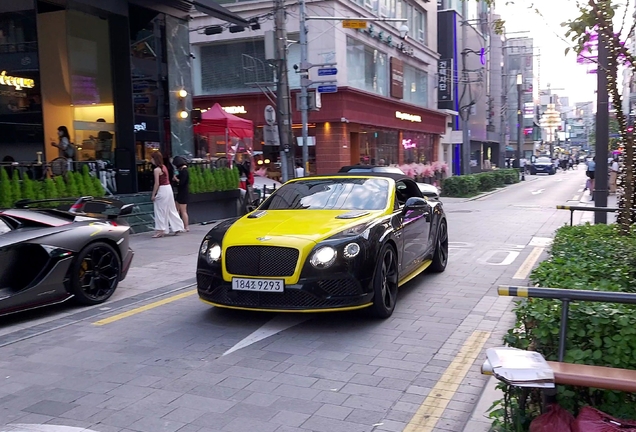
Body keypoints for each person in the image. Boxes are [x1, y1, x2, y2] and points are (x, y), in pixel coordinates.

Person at [150, 151, 184, 238]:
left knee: (160, 210)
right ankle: (177, 227)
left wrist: (153, 194)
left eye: (152, 158)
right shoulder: (164, 167)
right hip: (168, 188)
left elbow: (156, 183)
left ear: (155, 159)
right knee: (171, 209)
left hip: (162, 190)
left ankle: (160, 230)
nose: (151, 160)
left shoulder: (156, 170)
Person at [173, 156, 190, 231]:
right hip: (183, 193)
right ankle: (181, 226)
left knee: (182, 211)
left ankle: (186, 226)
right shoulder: (184, 171)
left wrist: (176, 179)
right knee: (179, 210)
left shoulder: (184, 172)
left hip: (182, 193)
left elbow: (181, 182)